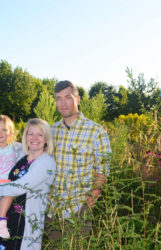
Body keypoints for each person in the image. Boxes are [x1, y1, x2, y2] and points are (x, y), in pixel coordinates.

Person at [46, 80, 111, 247]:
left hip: (78, 210)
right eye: (58, 98)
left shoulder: (96, 131)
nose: (63, 103)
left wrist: (87, 205)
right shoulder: (50, 132)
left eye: (68, 97)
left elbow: (103, 172)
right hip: (53, 211)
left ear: (78, 99)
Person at [0, 118, 56, 250]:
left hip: (22, 225)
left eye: (40, 134)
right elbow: (1, 173)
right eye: (30, 134)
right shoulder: (21, 155)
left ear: (46, 139)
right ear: (25, 136)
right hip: (1, 221)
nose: (34, 138)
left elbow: (19, 187)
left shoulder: (46, 162)